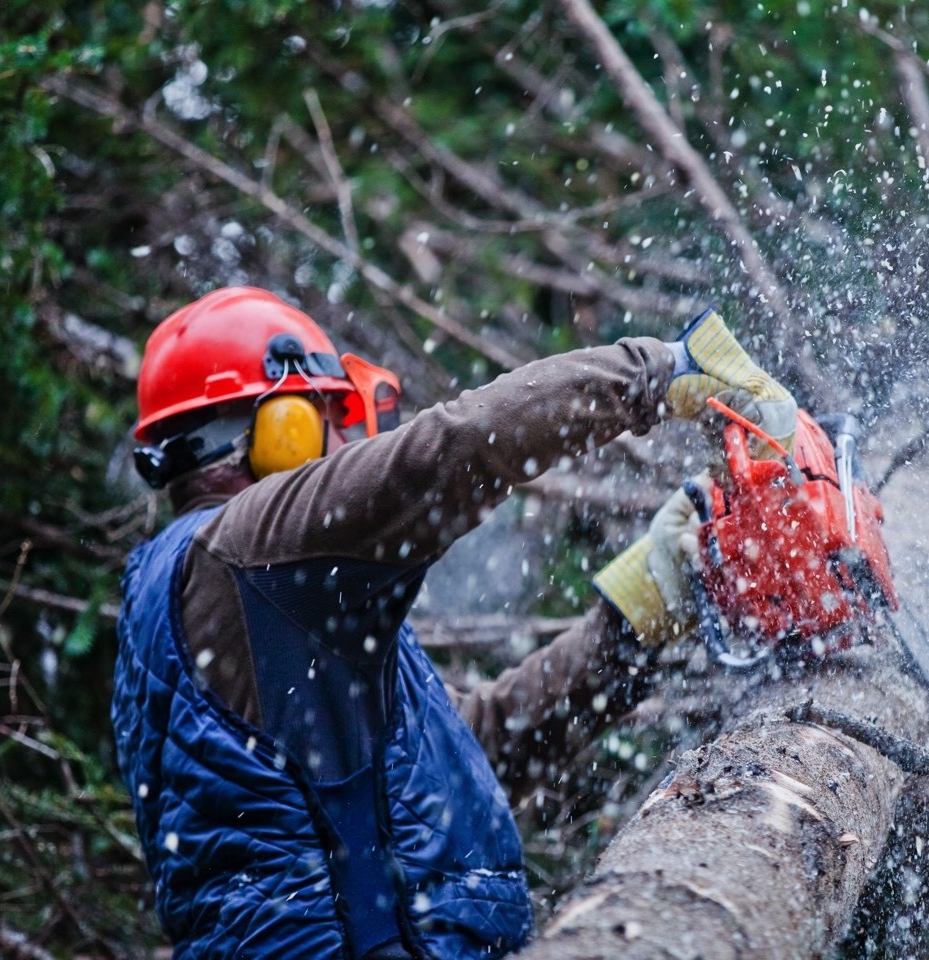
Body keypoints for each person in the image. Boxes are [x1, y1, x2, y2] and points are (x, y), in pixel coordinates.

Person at [112, 286, 795, 960]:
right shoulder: (251, 551)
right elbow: (452, 450)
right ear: (278, 428)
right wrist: (661, 371)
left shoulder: (242, 598)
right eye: (326, 415)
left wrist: (635, 617)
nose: (343, 441)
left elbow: (465, 761)